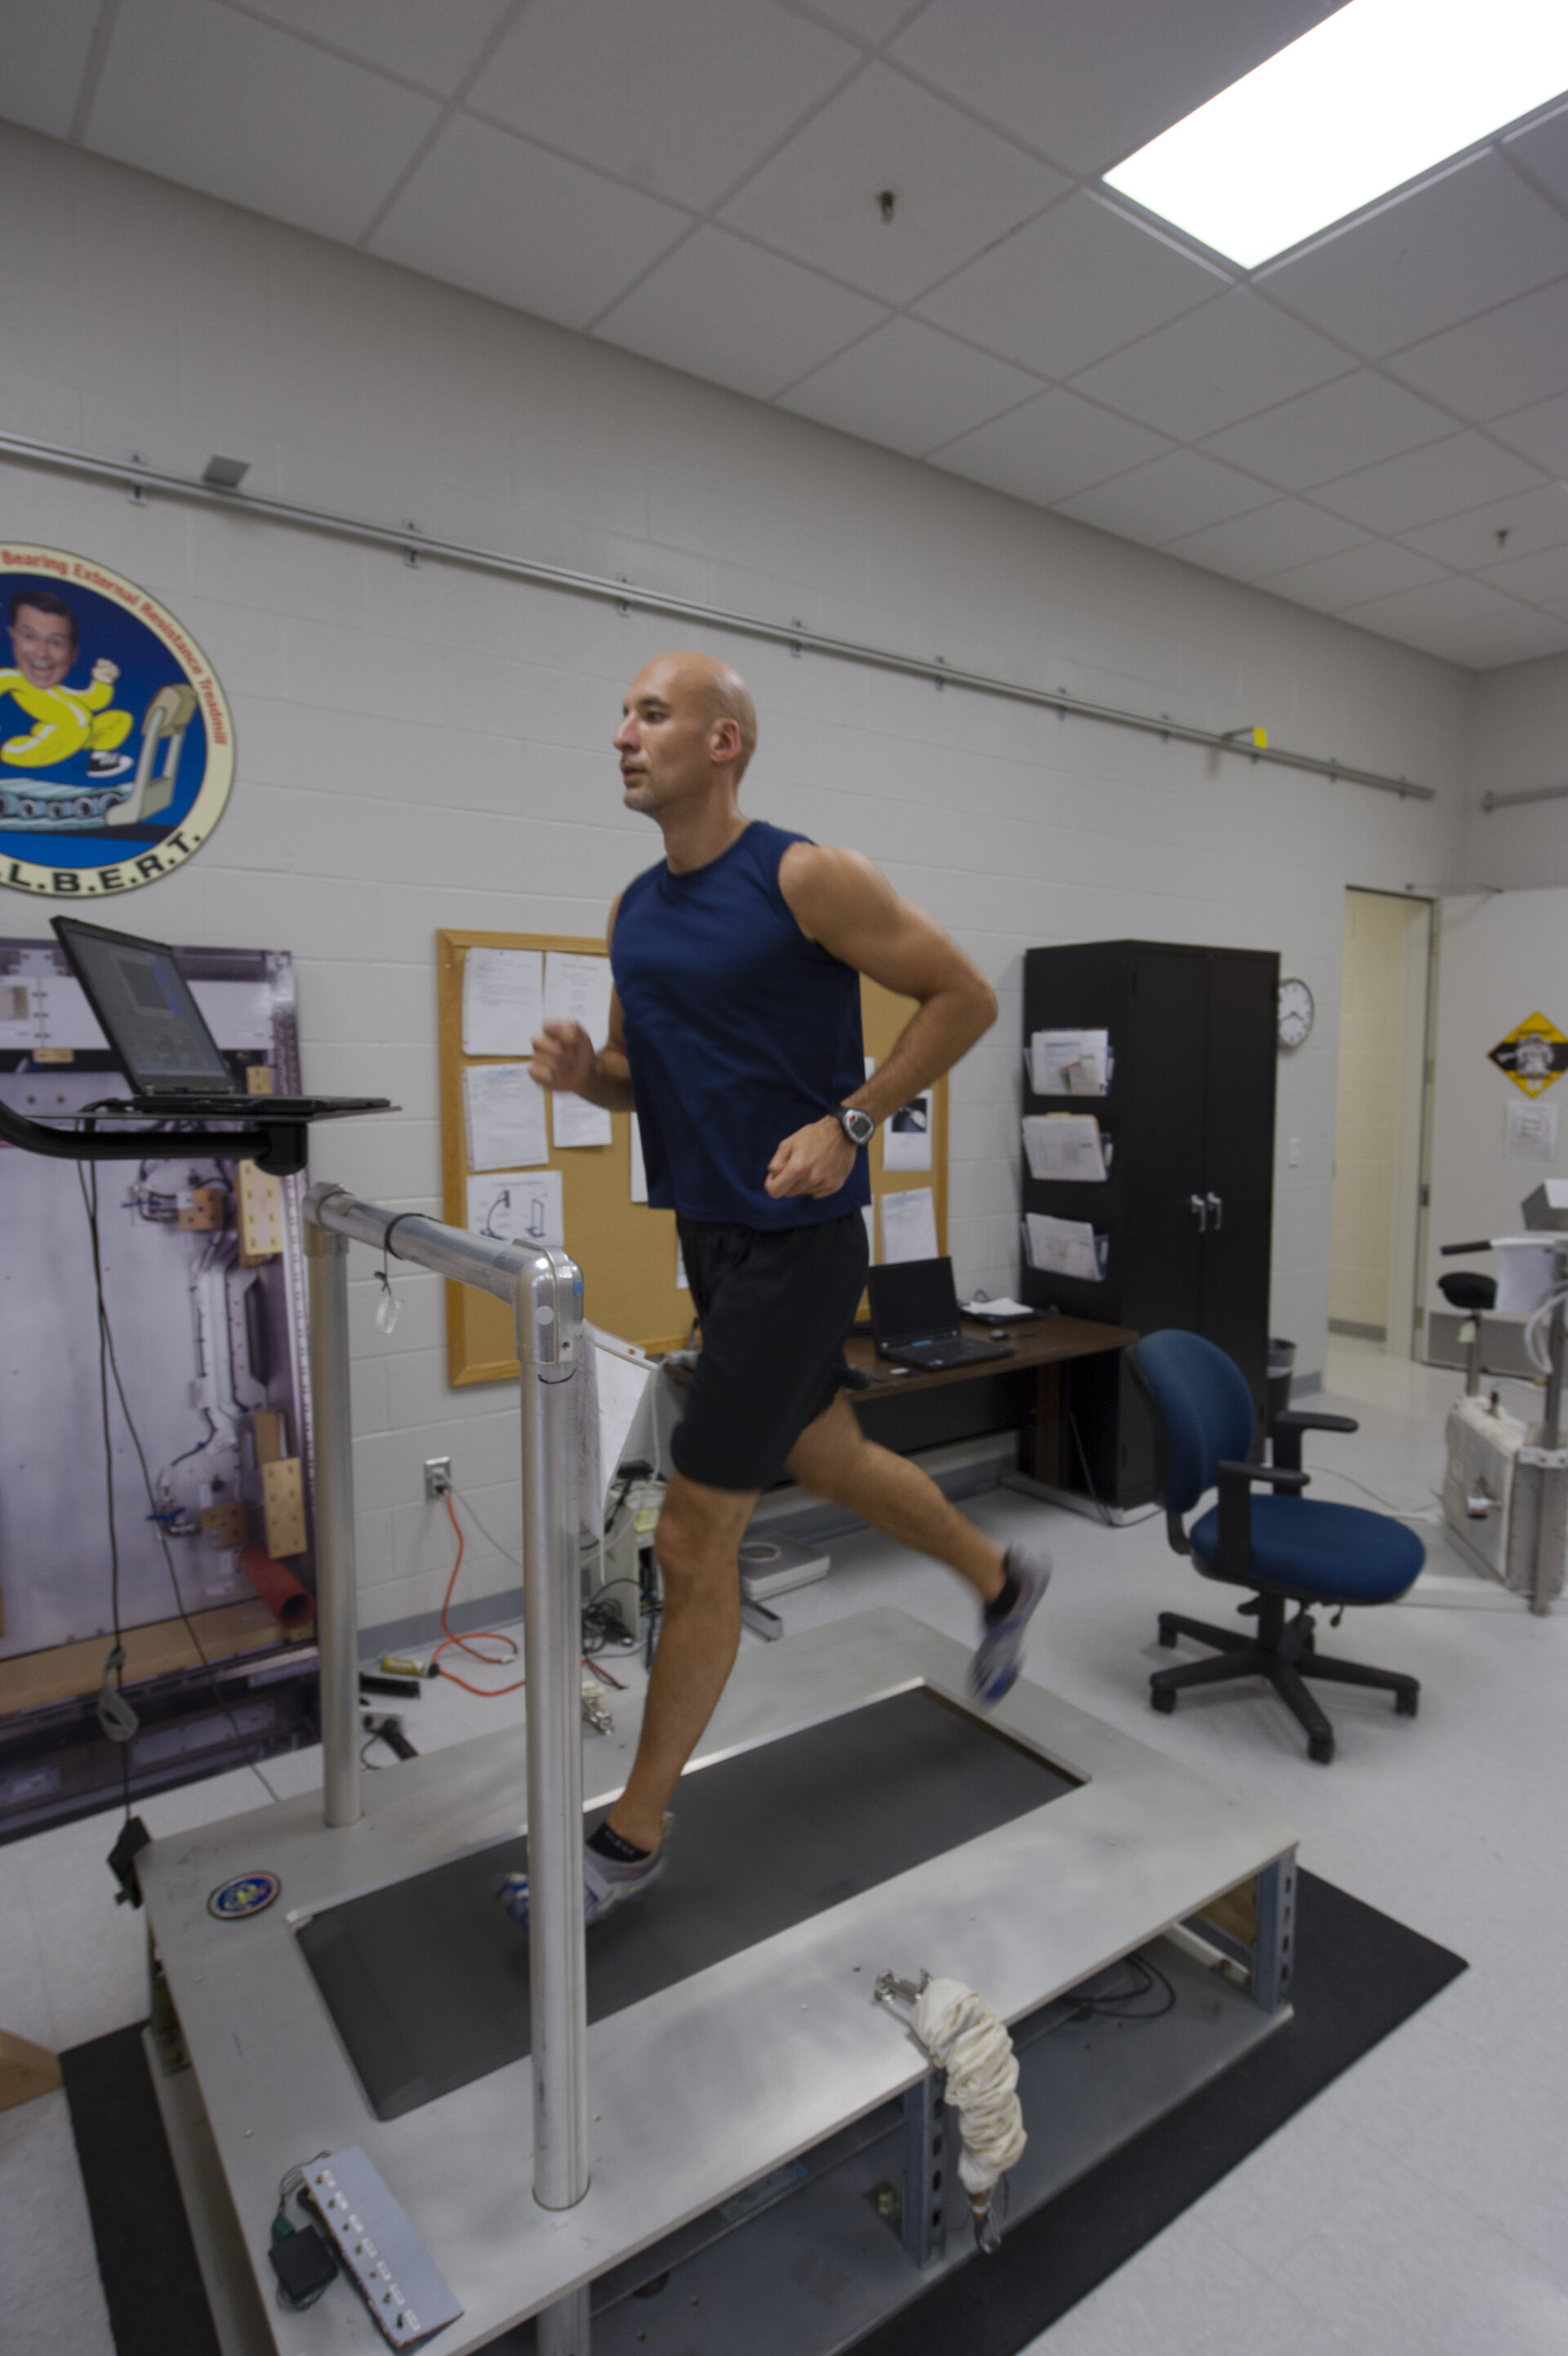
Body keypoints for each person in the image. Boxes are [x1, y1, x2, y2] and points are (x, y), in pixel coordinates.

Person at [499, 650, 1049, 1931]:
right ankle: (1002, 1579)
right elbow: (652, 1078)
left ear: (725, 741)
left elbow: (964, 996)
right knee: (834, 1453)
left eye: (651, 713)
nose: (623, 733)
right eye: (623, 711)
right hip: (715, 1236)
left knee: (694, 1541)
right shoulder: (636, 910)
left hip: (802, 1241)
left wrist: (852, 1122)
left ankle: (632, 1840)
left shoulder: (803, 875)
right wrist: (591, 1079)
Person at [1, 590, 134, 777]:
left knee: (120, 719)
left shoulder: (61, 692)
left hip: (78, 737)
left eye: (56, 643)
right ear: (13, 637)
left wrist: (102, 681)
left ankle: (98, 759)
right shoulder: (13, 678)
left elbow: (94, 702)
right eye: (29, 637)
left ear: (73, 653)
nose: (42, 653)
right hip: (45, 743)